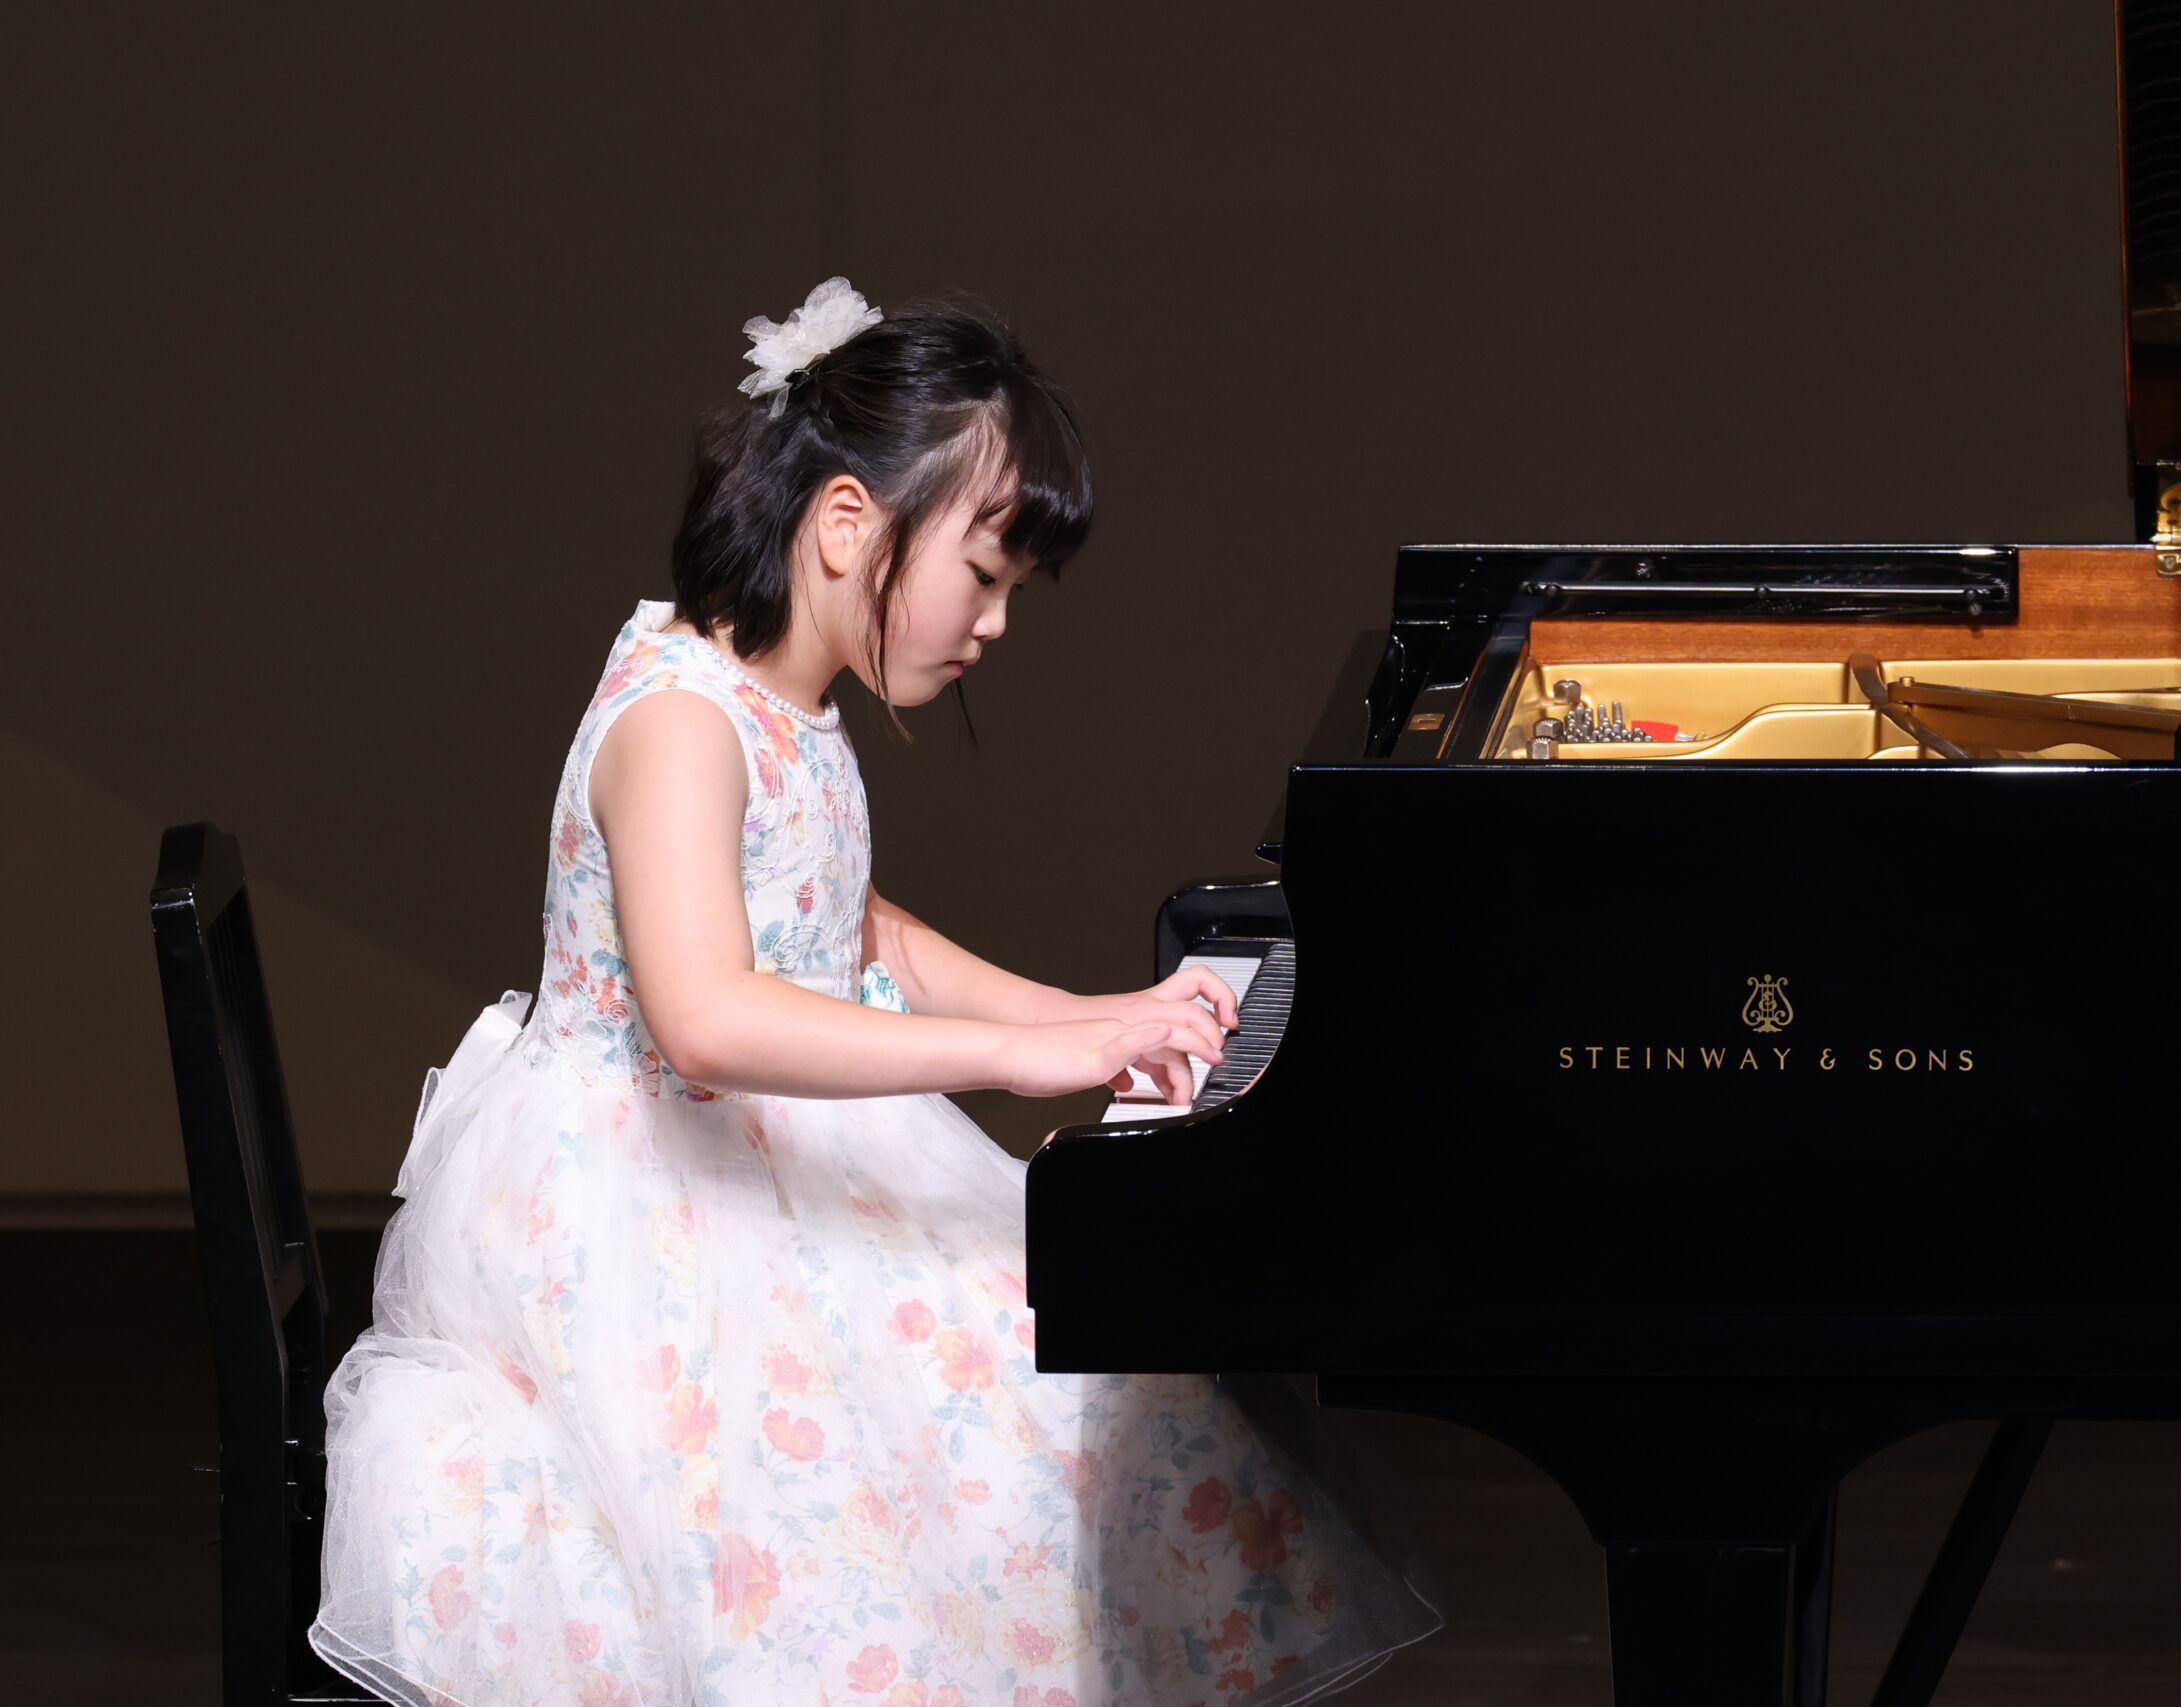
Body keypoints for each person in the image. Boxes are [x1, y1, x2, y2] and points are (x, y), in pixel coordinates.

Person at [311, 280, 1439, 1707]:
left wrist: (1080, 1018)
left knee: (1117, 1361)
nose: (995, 624)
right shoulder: (679, 720)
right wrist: (1014, 1060)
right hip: (648, 1201)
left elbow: (858, 934)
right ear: (847, 524)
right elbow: (708, 1017)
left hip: (769, 1156)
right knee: (1006, 1423)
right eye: (985, 574)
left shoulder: (787, 700)